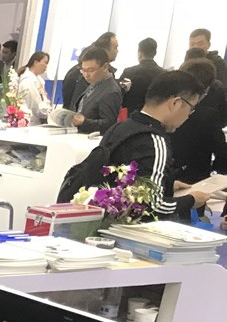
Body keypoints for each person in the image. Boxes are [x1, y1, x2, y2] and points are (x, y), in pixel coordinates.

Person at [96, 70, 208, 219]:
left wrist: (167, 184)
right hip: (134, 226)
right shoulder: (155, 141)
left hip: (105, 218)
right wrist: (191, 200)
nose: (188, 115)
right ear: (176, 103)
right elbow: (152, 204)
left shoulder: (119, 127)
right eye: (191, 108)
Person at [170, 58, 227, 186]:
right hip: (194, 180)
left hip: (164, 175)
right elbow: (221, 152)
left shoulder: (168, 105)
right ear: (207, 89)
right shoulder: (209, 116)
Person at [71, 46, 121, 134]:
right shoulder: (94, 84)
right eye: (83, 70)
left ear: (105, 67)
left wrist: (84, 122)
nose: (86, 75)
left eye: (90, 70)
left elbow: (109, 124)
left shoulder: (111, 91)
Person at [63, 32, 118, 109]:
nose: (117, 51)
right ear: (105, 50)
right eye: (115, 47)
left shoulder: (106, 77)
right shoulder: (83, 76)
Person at [119, 38, 164, 115]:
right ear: (155, 53)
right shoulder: (163, 74)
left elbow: (120, 93)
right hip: (153, 116)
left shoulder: (129, 72)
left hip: (131, 115)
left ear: (140, 53)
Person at [16, 51, 51, 123]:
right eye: (45, 63)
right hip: (30, 122)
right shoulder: (28, 81)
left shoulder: (38, 80)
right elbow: (35, 106)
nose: (46, 66)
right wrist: (46, 114)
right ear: (35, 62)